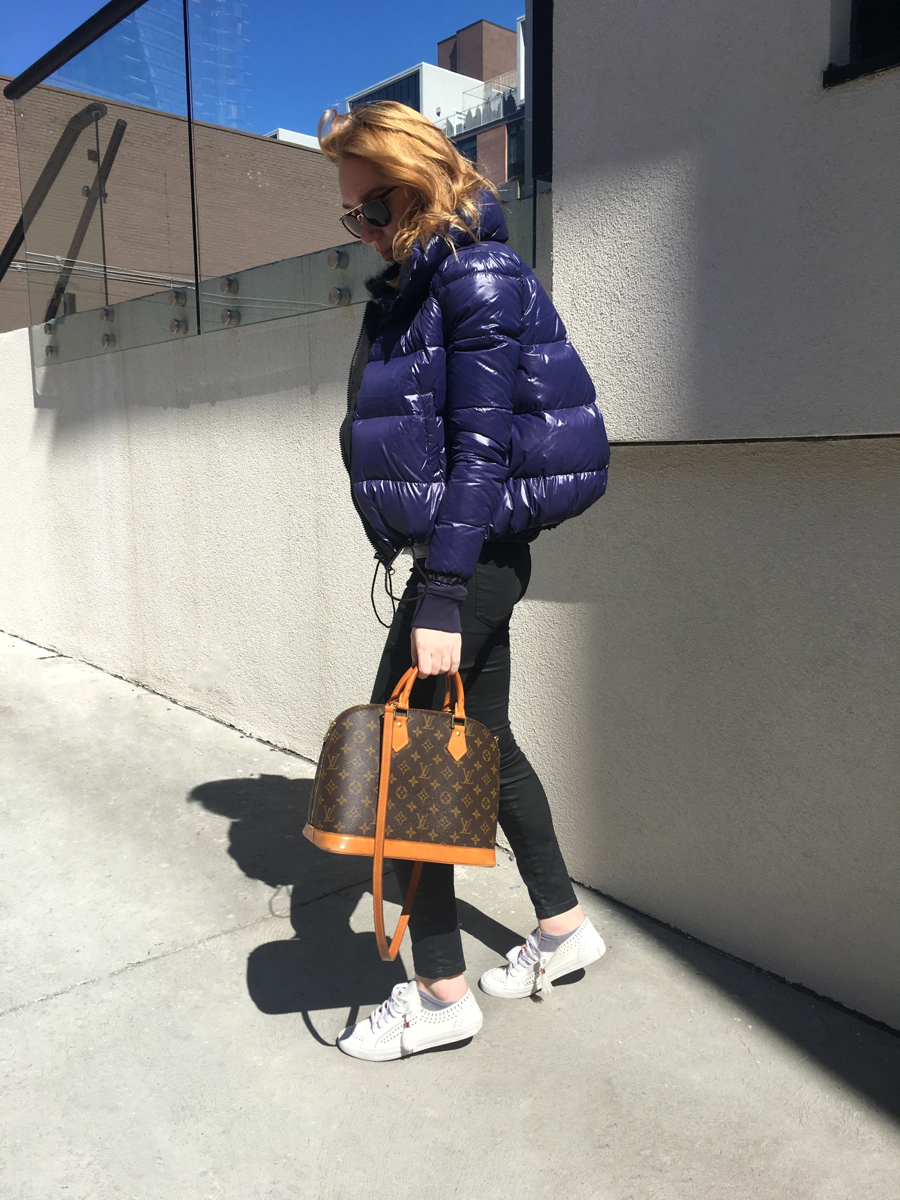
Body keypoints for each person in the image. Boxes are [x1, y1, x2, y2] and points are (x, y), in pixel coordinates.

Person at [318, 102, 611, 1061]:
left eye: (371, 208)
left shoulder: (474, 275)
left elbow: (480, 453)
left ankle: (440, 995)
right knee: (483, 742)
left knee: (408, 762)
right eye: (350, 216)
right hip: (466, 554)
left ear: (424, 183)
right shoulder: (433, 276)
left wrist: (440, 597)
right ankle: (565, 927)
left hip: (468, 559)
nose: (360, 230)